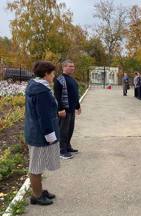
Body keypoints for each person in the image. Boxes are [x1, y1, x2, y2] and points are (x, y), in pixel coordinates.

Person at [25, 61, 60, 205]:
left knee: (37, 165)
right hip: (39, 135)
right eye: (52, 74)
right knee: (36, 166)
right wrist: (50, 136)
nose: (53, 76)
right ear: (46, 74)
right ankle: (37, 196)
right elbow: (43, 116)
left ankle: (38, 190)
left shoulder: (36, 87)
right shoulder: (41, 92)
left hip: (35, 132)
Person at [54, 59, 81, 159]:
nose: (72, 68)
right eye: (70, 66)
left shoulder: (72, 79)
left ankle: (67, 146)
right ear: (64, 67)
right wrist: (60, 109)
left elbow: (74, 94)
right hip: (64, 110)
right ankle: (61, 150)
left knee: (70, 130)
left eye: (73, 66)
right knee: (63, 131)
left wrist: (78, 106)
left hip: (71, 109)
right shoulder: (60, 79)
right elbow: (57, 96)